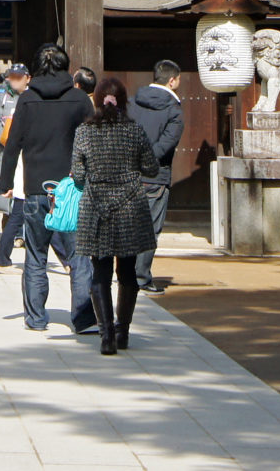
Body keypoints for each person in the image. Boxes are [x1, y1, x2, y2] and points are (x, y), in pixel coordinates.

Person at [0, 44, 96, 333]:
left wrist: (6, 184)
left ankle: (36, 318)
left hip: (36, 187)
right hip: (74, 187)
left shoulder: (27, 100)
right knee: (79, 256)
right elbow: (92, 142)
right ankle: (82, 318)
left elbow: (13, 143)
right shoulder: (80, 99)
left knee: (36, 254)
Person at [70, 77, 160, 355]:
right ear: (123, 102)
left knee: (100, 271)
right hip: (130, 205)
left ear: (97, 101)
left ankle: (106, 334)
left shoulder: (84, 132)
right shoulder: (134, 130)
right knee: (128, 271)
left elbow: (79, 176)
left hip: (97, 206)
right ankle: (123, 331)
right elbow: (151, 168)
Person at [126, 61, 185, 293]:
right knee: (149, 228)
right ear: (172, 80)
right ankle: (140, 277)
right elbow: (165, 145)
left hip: (128, 174)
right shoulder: (174, 111)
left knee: (128, 224)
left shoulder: (132, 102)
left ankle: (125, 273)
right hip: (154, 176)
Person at [0, 64, 31, 270]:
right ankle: (9, 238)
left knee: (23, 202)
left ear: (27, 78)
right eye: (12, 77)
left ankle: (21, 237)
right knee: (9, 202)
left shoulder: (32, 99)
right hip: (7, 152)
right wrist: (6, 138)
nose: (14, 80)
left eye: (18, 77)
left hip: (28, 153)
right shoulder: (1, 99)